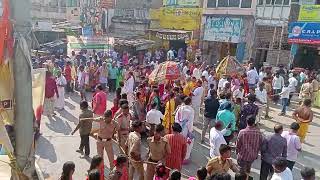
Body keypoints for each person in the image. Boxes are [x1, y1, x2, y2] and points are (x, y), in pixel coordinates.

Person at [175, 97, 195, 162]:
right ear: (190, 102)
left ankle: (178, 154)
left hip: (179, 128)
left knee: (178, 142)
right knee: (187, 143)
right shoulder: (191, 110)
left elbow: (176, 118)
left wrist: (179, 125)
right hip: (186, 129)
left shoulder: (180, 108)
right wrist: (190, 130)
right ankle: (185, 157)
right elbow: (190, 122)